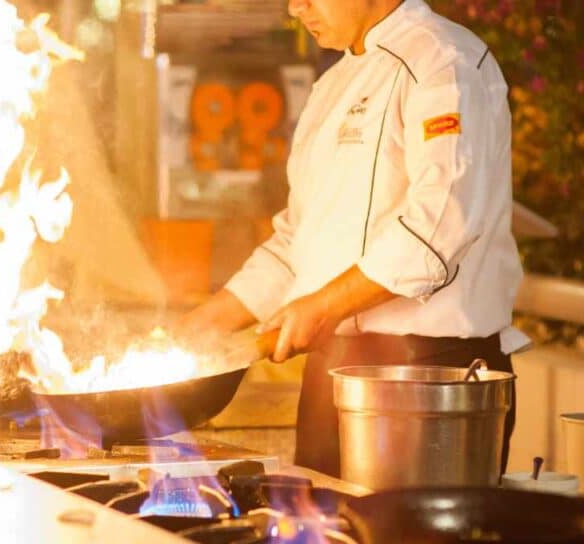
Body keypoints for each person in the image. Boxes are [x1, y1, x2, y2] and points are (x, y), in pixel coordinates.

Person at [180, 0, 524, 477]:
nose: (296, 8)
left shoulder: (444, 60)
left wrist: (322, 306)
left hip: (432, 373)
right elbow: (298, 239)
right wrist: (206, 323)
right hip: (334, 371)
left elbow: (441, 224)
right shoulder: (332, 85)